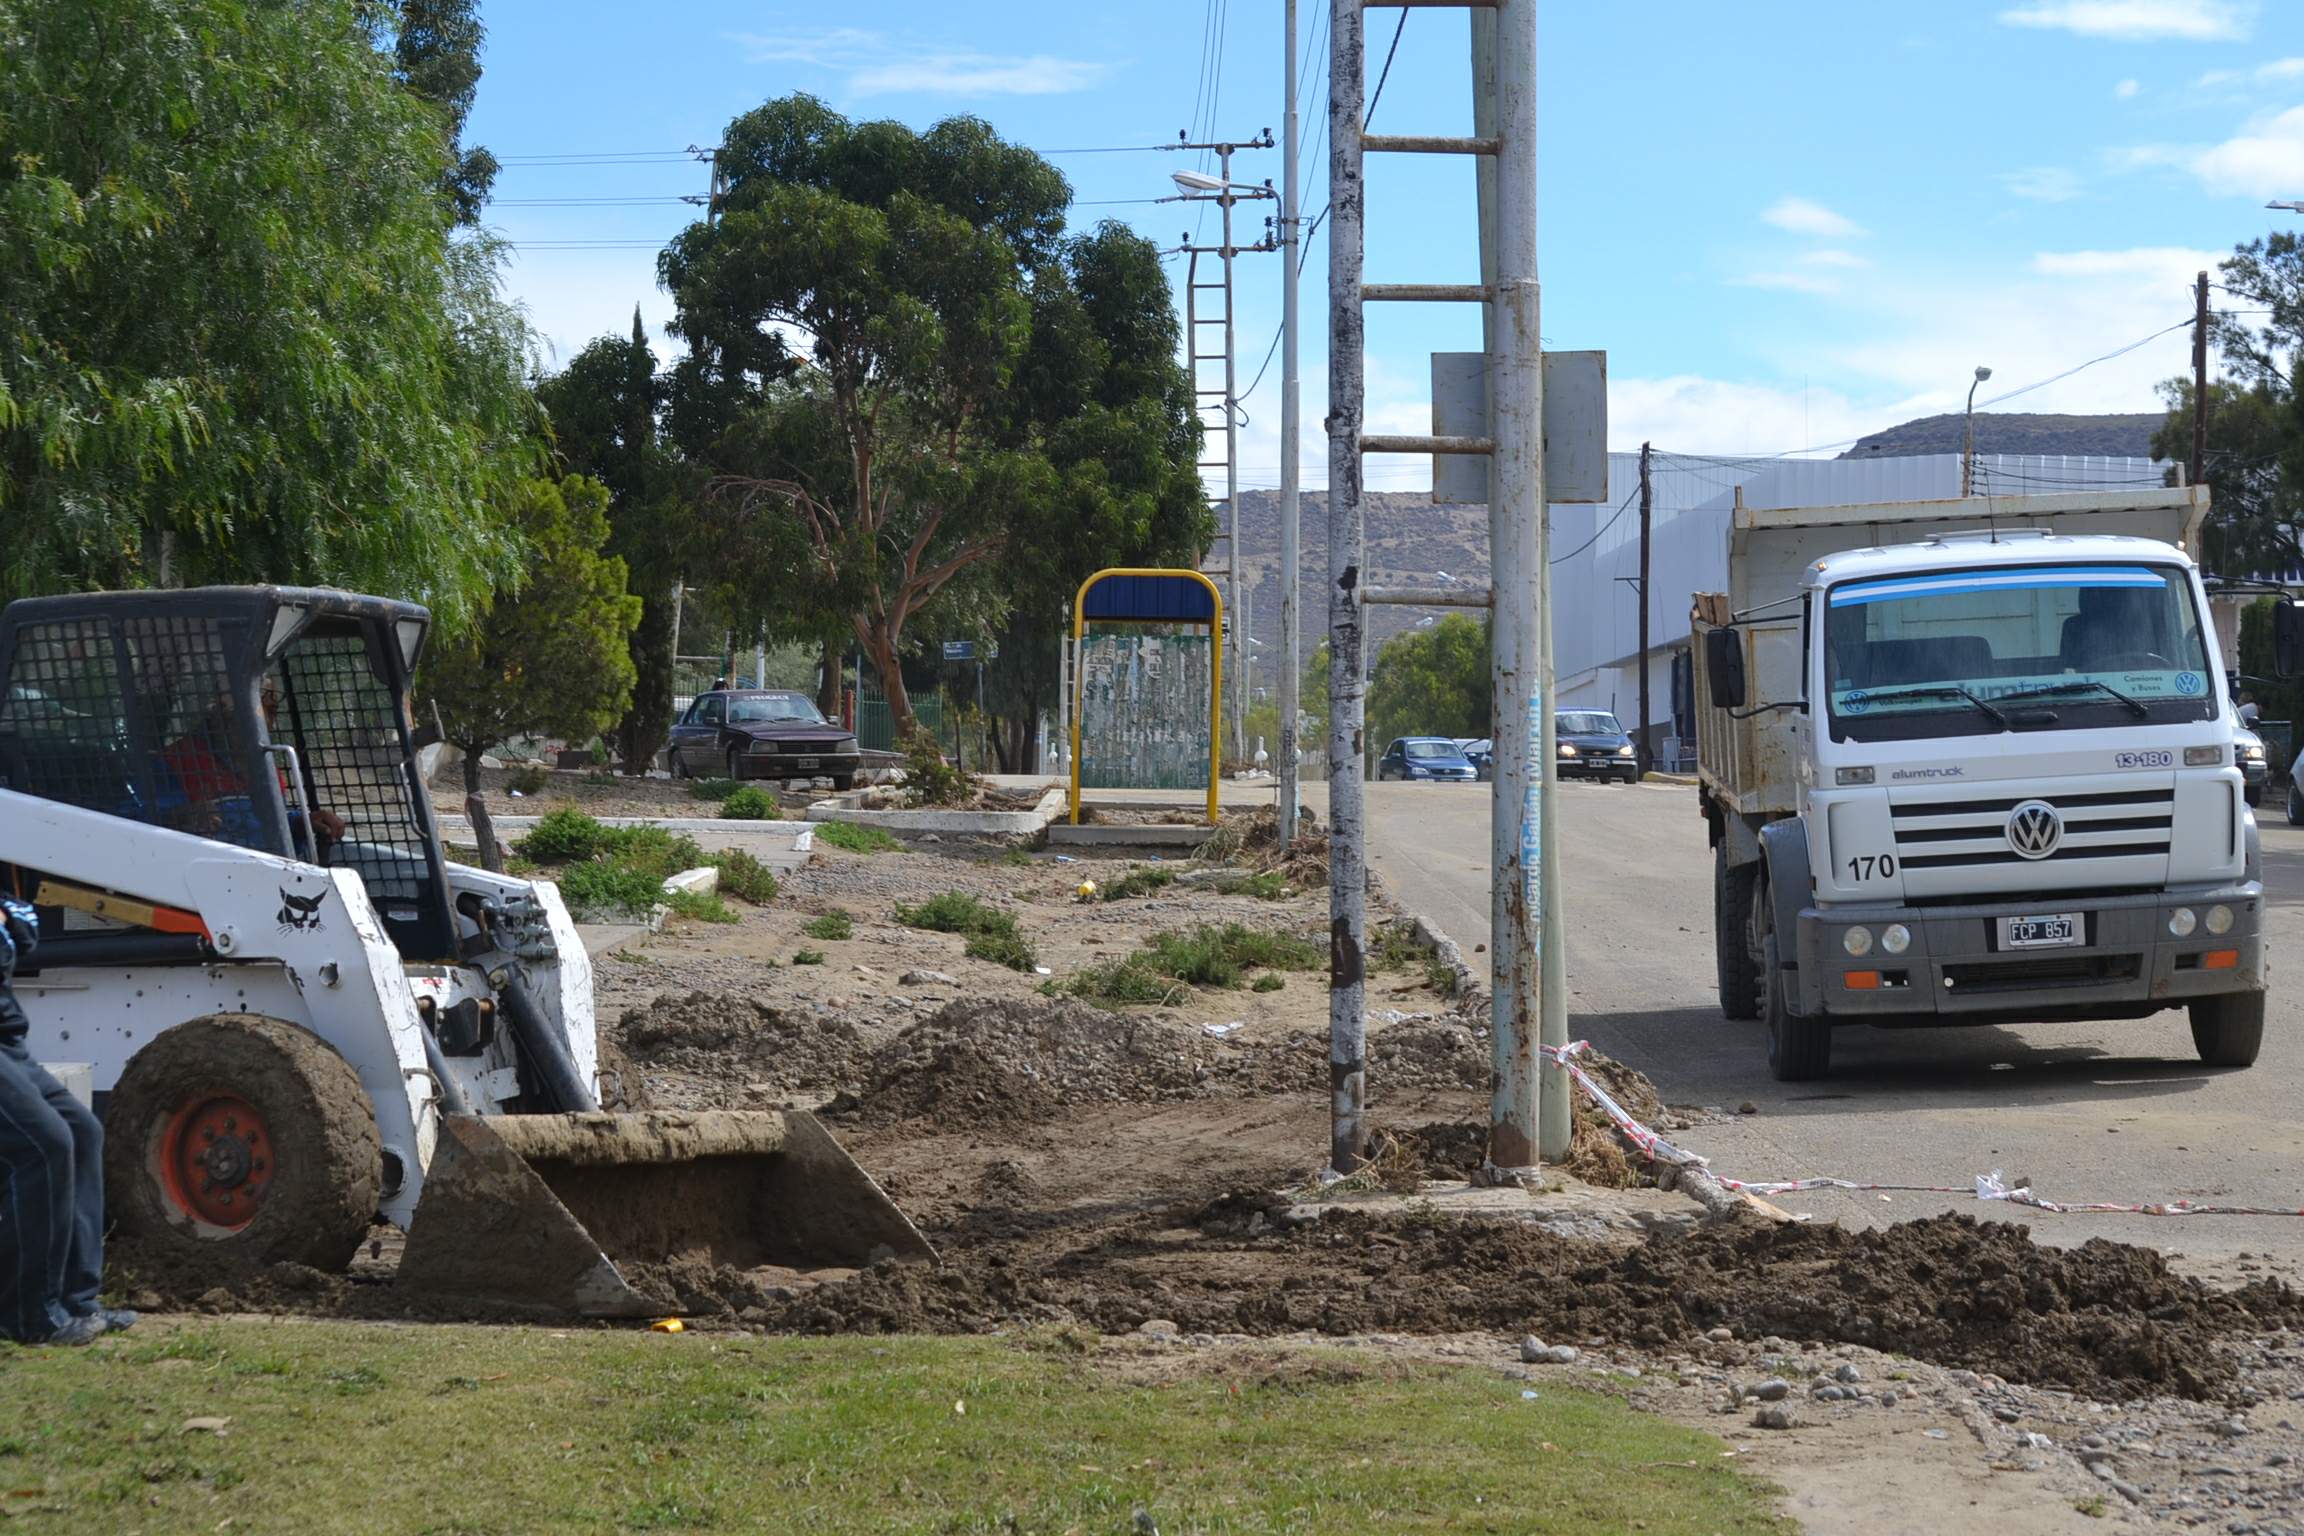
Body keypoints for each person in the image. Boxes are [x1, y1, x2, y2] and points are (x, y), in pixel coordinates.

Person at [0, 895, 135, 1345]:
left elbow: (27, 927)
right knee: (45, 1145)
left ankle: (79, 1302)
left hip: (10, 1046)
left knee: (82, 1131)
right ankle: (31, 1315)